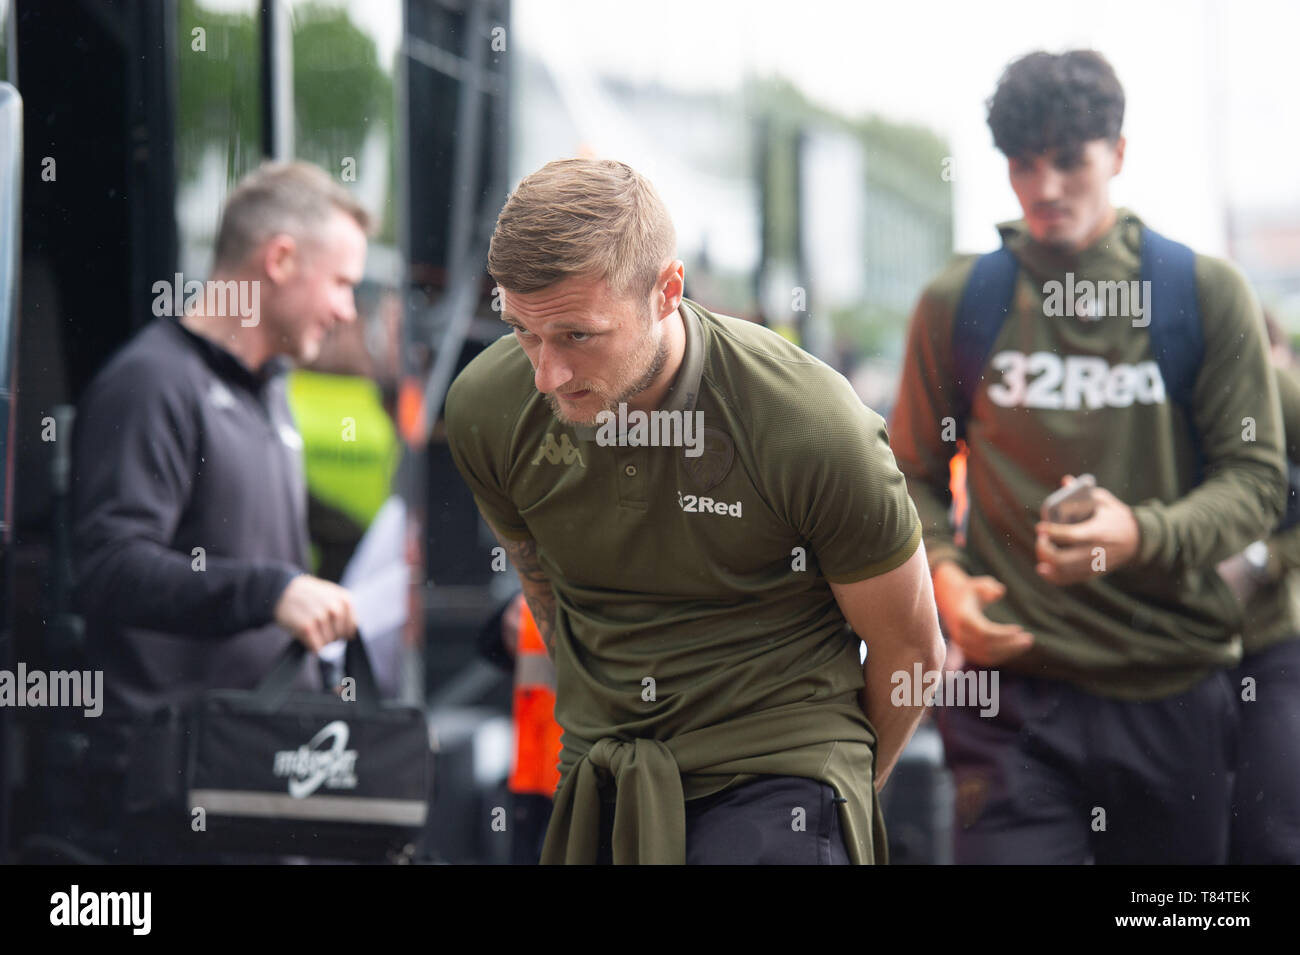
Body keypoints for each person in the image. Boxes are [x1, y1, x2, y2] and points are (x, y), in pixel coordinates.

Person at [445, 157, 945, 864]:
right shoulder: (486, 410)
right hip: (603, 772)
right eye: (523, 331)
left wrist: (839, 795)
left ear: (666, 291)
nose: (546, 373)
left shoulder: (807, 423)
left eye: (577, 335)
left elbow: (914, 654)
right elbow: (550, 601)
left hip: (779, 772)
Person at [889, 50, 1288, 864]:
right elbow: (910, 477)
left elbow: (1256, 482)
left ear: (1119, 154)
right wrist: (946, 575)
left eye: (1068, 160)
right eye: (1021, 165)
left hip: (1169, 684)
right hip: (1010, 701)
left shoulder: (1202, 293)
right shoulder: (959, 302)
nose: (1044, 188)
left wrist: (1138, 533)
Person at [67, 161, 368, 859]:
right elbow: (108, 567)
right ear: (282, 258)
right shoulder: (151, 383)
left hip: (255, 777)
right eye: (343, 282)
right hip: (167, 802)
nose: (349, 309)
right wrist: (268, 590)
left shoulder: (270, 390)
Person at [1217, 315, 1300, 864]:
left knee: (1269, 829)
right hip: (1183, 654)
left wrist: (1260, 560)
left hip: (1269, 645)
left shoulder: (1283, 417)